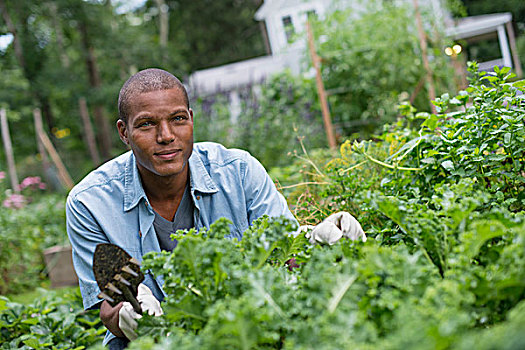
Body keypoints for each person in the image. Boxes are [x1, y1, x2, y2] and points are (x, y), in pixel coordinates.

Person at [66, 68, 365, 349]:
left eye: (178, 119)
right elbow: (108, 305)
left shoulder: (239, 171)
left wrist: (316, 243)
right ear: (124, 132)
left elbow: (285, 255)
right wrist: (129, 311)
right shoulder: (89, 203)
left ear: (192, 119)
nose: (166, 135)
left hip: (248, 332)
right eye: (147, 124)